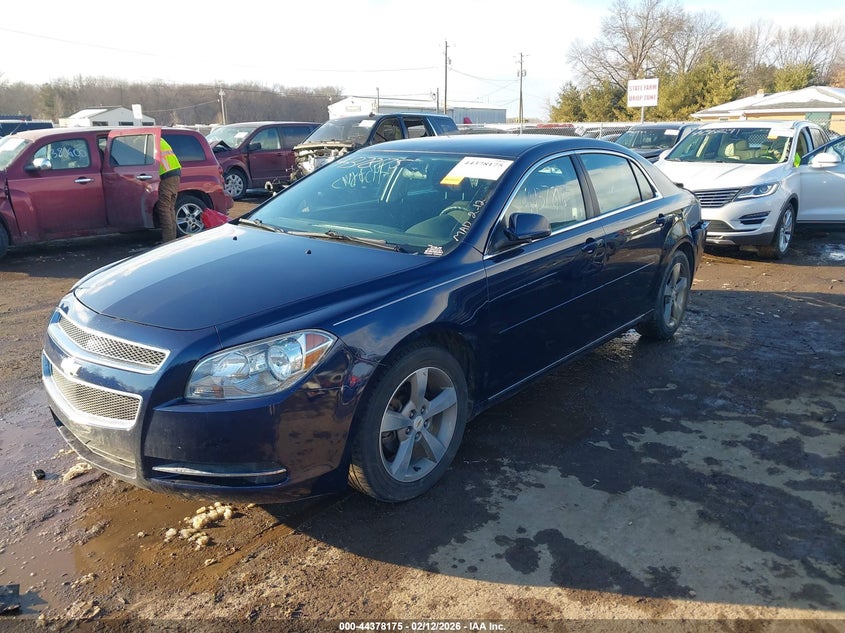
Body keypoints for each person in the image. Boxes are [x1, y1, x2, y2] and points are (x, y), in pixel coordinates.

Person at [156, 137, 182, 242]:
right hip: (175, 172)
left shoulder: (146, 139)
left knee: (164, 208)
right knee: (170, 207)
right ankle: (172, 238)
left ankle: (168, 241)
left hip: (166, 174)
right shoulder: (159, 139)